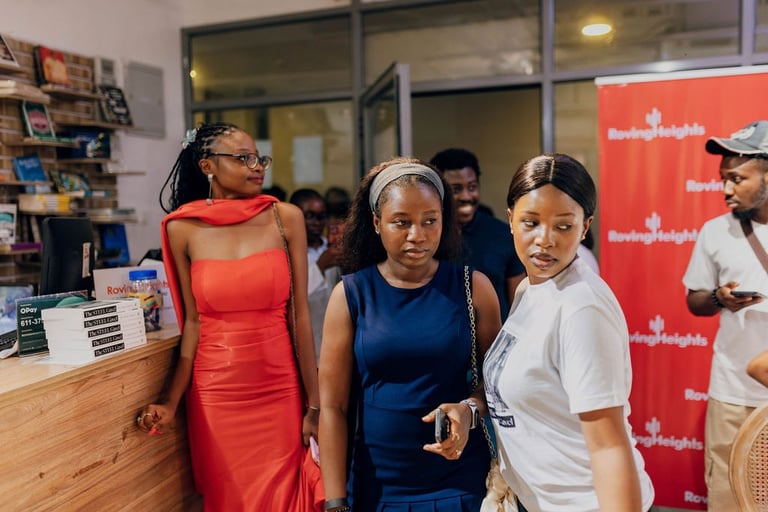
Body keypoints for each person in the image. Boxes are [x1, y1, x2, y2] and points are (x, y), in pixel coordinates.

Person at [137, 122, 323, 511]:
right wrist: (170, 401)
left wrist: (315, 404)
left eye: (259, 158)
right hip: (216, 396)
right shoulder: (181, 227)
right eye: (243, 158)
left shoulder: (284, 217)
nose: (257, 167)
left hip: (280, 390)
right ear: (207, 165)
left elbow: (299, 317)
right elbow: (192, 323)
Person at [318, 157, 501, 511]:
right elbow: (333, 408)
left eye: (430, 221)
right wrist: (335, 500)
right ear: (376, 222)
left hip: (459, 480)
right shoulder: (351, 295)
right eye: (401, 222)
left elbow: (496, 385)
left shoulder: (473, 288)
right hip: (377, 486)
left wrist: (470, 410)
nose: (417, 235)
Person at [484, 153, 655, 512]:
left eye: (563, 226)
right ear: (510, 218)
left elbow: (608, 446)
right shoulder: (530, 289)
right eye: (531, 222)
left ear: (585, 226)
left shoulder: (581, 308)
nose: (544, 240)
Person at [682, 119, 768, 511]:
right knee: (728, 496)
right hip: (732, 394)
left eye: (737, 178)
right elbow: (694, 300)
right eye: (723, 179)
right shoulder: (715, 232)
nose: (726, 189)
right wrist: (719, 298)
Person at [429, 148, 525, 319]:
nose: (466, 196)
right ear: (437, 192)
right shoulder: (426, 237)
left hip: (496, 335)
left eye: (472, 187)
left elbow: (519, 308)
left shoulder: (503, 235)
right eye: (456, 189)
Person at [289, 188, 342, 360]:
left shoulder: (332, 248)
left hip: (333, 337)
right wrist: (320, 267)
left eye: (322, 216)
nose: (317, 222)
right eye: (310, 216)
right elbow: (292, 299)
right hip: (305, 341)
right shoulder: (286, 253)